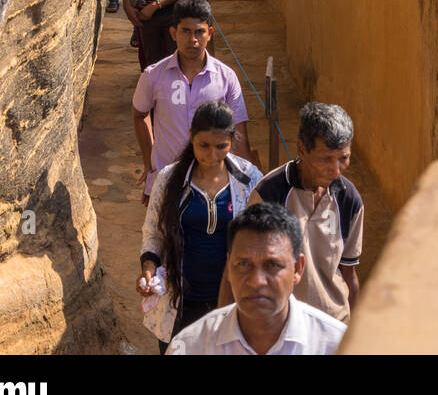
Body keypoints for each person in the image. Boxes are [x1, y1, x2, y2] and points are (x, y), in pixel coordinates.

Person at [138, 100, 262, 353]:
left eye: (221, 147)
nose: (211, 155)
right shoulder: (169, 180)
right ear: (191, 137)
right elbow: (153, 233)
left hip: (231, 304)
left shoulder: (249, 180)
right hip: (180, 304)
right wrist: (148, 269)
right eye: (203, 146)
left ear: (232, 141)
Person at [220, 102, 362, 323]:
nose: (335, 170)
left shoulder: (349, 199)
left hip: (334, 325)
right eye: (325, 159)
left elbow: (349, 273)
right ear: (301, 149)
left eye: (343, 158)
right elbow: (238, 267)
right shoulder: (270, 194)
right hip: (282, 327)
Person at [166, 203, 346, 356]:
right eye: (244, 264)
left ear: (297, 269)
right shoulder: (189, 346)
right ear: (228, 267)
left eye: (272, 265)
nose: (256, 281)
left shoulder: (338, 345)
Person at [132, 0, 252, 202]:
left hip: (215, 186)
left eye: (199, 32)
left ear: (210, 34)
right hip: (167, 185)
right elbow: (139, 114)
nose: (192, 39)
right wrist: (150, 163)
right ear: (173, 33)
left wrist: (247, 183)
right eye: (185, 31)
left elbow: (239, 132)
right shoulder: (153, 76)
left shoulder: (226, 78)